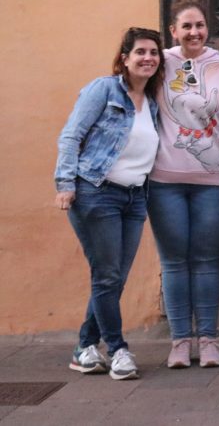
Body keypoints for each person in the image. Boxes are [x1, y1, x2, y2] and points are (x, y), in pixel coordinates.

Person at [55, 27, 165, 380]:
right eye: (141, 52)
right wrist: (65, 183)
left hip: (134, 197)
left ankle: (85, 346)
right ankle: (118, 350)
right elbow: (72, 135)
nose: (148, 58)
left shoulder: (151, 102)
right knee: (107, 275)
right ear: (125, 57)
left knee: (114, 278)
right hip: (95, 192)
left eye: (154, 53)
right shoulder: (103, 89)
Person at [149, 0, 219, 369]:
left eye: (199, 25)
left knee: (206, 262)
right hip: (164, 181)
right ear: (173, 31)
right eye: (186, 26)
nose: (194, 32)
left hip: (215, 182)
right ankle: (178, 341)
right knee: (174, 262)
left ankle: (208, 339)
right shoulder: (160, 63)